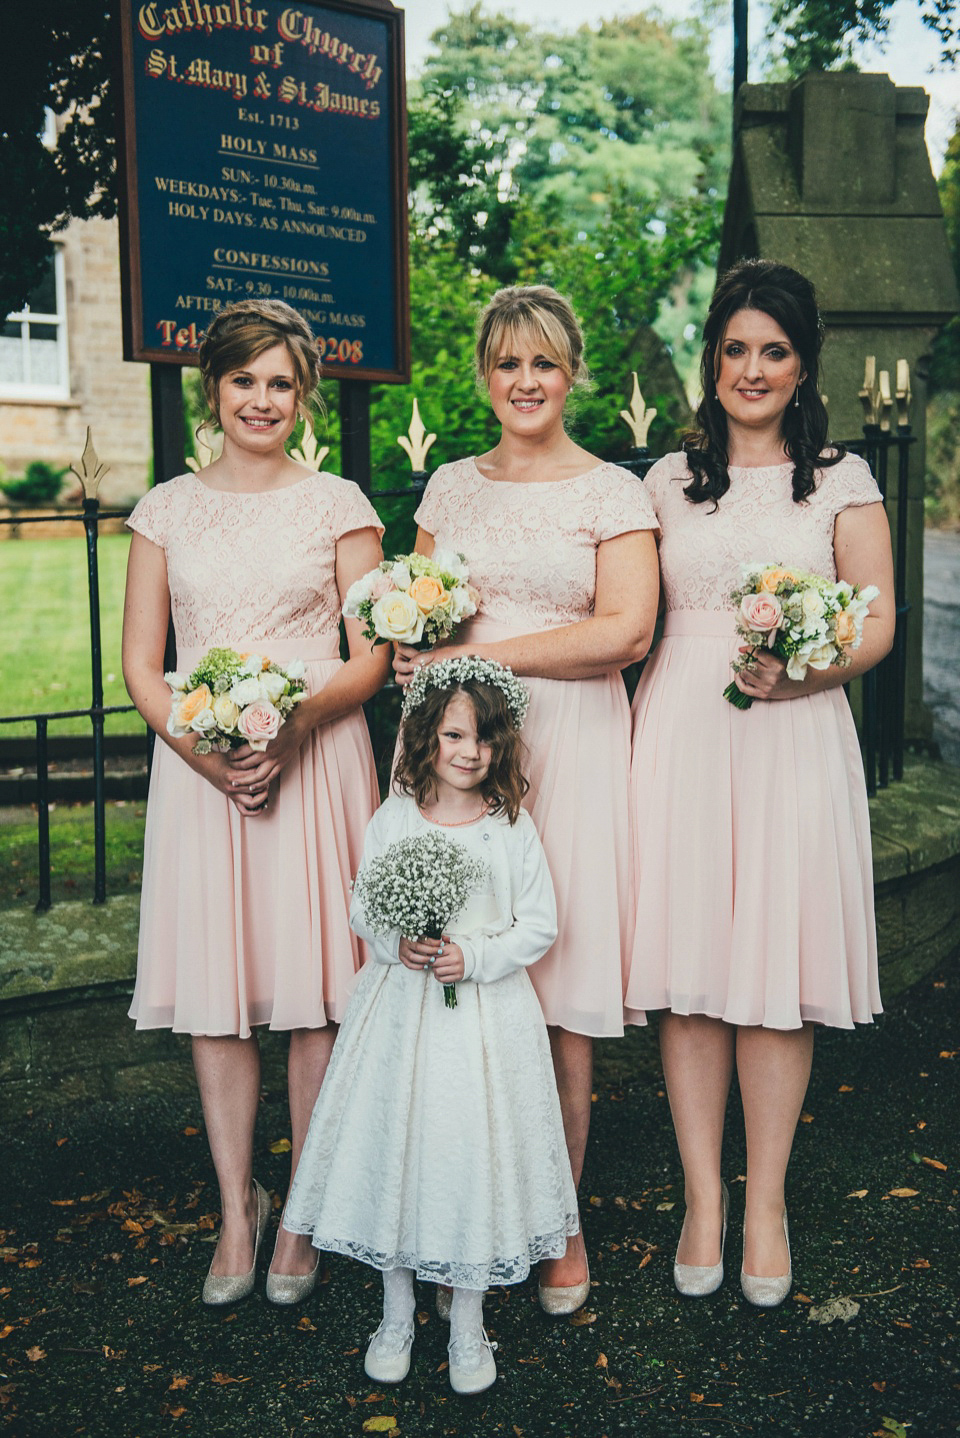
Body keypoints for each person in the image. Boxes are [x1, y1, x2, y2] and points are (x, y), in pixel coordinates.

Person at [625, 259, 895, 1306]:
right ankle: (703, 1195)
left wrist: (803, 671)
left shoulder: (842, 478)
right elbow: (631, 615)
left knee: (777, 975)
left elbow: (875, 623)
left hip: (792, 733)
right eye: (735, 348)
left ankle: (768, 1200)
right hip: (685, 731)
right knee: (692, 971)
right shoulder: (662, 481)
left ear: (802, 363)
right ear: (711, 358)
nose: (752, 368)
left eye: (772, 350)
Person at [392, 285, 660, 1313]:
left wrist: (477, 652)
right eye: (506, 363)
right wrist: (422, 653)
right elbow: (411, 621)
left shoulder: (611, 491)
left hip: (573, 750)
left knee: (556, 997)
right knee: (454, 981)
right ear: (483, 375)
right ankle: (456, 1209)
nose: (525, 381)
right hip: (456, 751)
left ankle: (558, 1224)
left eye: (542, 362)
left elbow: (624, 631)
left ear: (571, 372)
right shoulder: (449, 489)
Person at [121, 299, 390, 1306]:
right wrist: (206, 753)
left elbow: (372, 660)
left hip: (314, 764)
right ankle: (241, 1206)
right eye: (244, 380)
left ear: (304, 392)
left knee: (315, 987)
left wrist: (291, 725)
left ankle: (309, 1208)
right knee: (220, 995)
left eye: (280, 382)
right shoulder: (164, 510)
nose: (262, 400)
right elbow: (145, 667)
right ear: (214, 389)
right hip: (203, 779)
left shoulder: (341, 506)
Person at [282, 657, 578, 1394]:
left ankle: (468, 1321)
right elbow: (362, 909)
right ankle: (397, 1308)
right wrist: (397, 943)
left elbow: (539, 926)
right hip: (400, 1021)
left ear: (500, 745)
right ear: (427, 738)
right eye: (453, 735)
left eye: (482, 739)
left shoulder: (510, 828)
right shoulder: (394, 819)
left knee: (470, 1157)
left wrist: (473, 958)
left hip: (483, 1026)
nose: (468, 752)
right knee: (402, 1151)